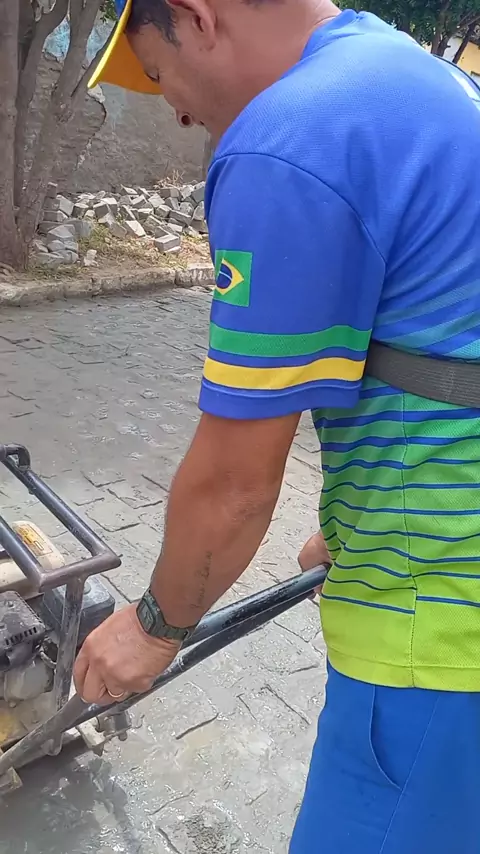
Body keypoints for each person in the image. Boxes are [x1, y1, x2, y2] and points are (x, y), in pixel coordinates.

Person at [73, 1, 480, 851]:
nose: (178, 112)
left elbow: (234, 484)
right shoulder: (419, 81)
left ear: (197, 17)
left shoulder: (290, 139)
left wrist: (152, 626)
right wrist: (362, 515)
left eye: (160, 75)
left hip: (443, 626)